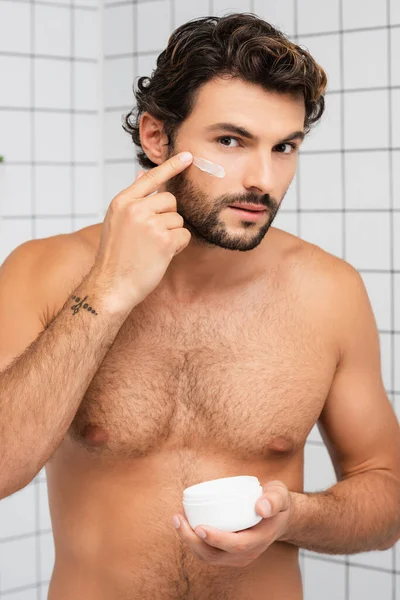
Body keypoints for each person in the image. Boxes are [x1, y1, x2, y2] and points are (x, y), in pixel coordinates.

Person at [0, 12, 399, 600]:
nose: (263, 179)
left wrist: (295, 517)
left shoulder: (328, 291)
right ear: (157, 137)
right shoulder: (45, 271)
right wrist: (107, 291)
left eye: (284, 146)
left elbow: (387, 498)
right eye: (231, 141)